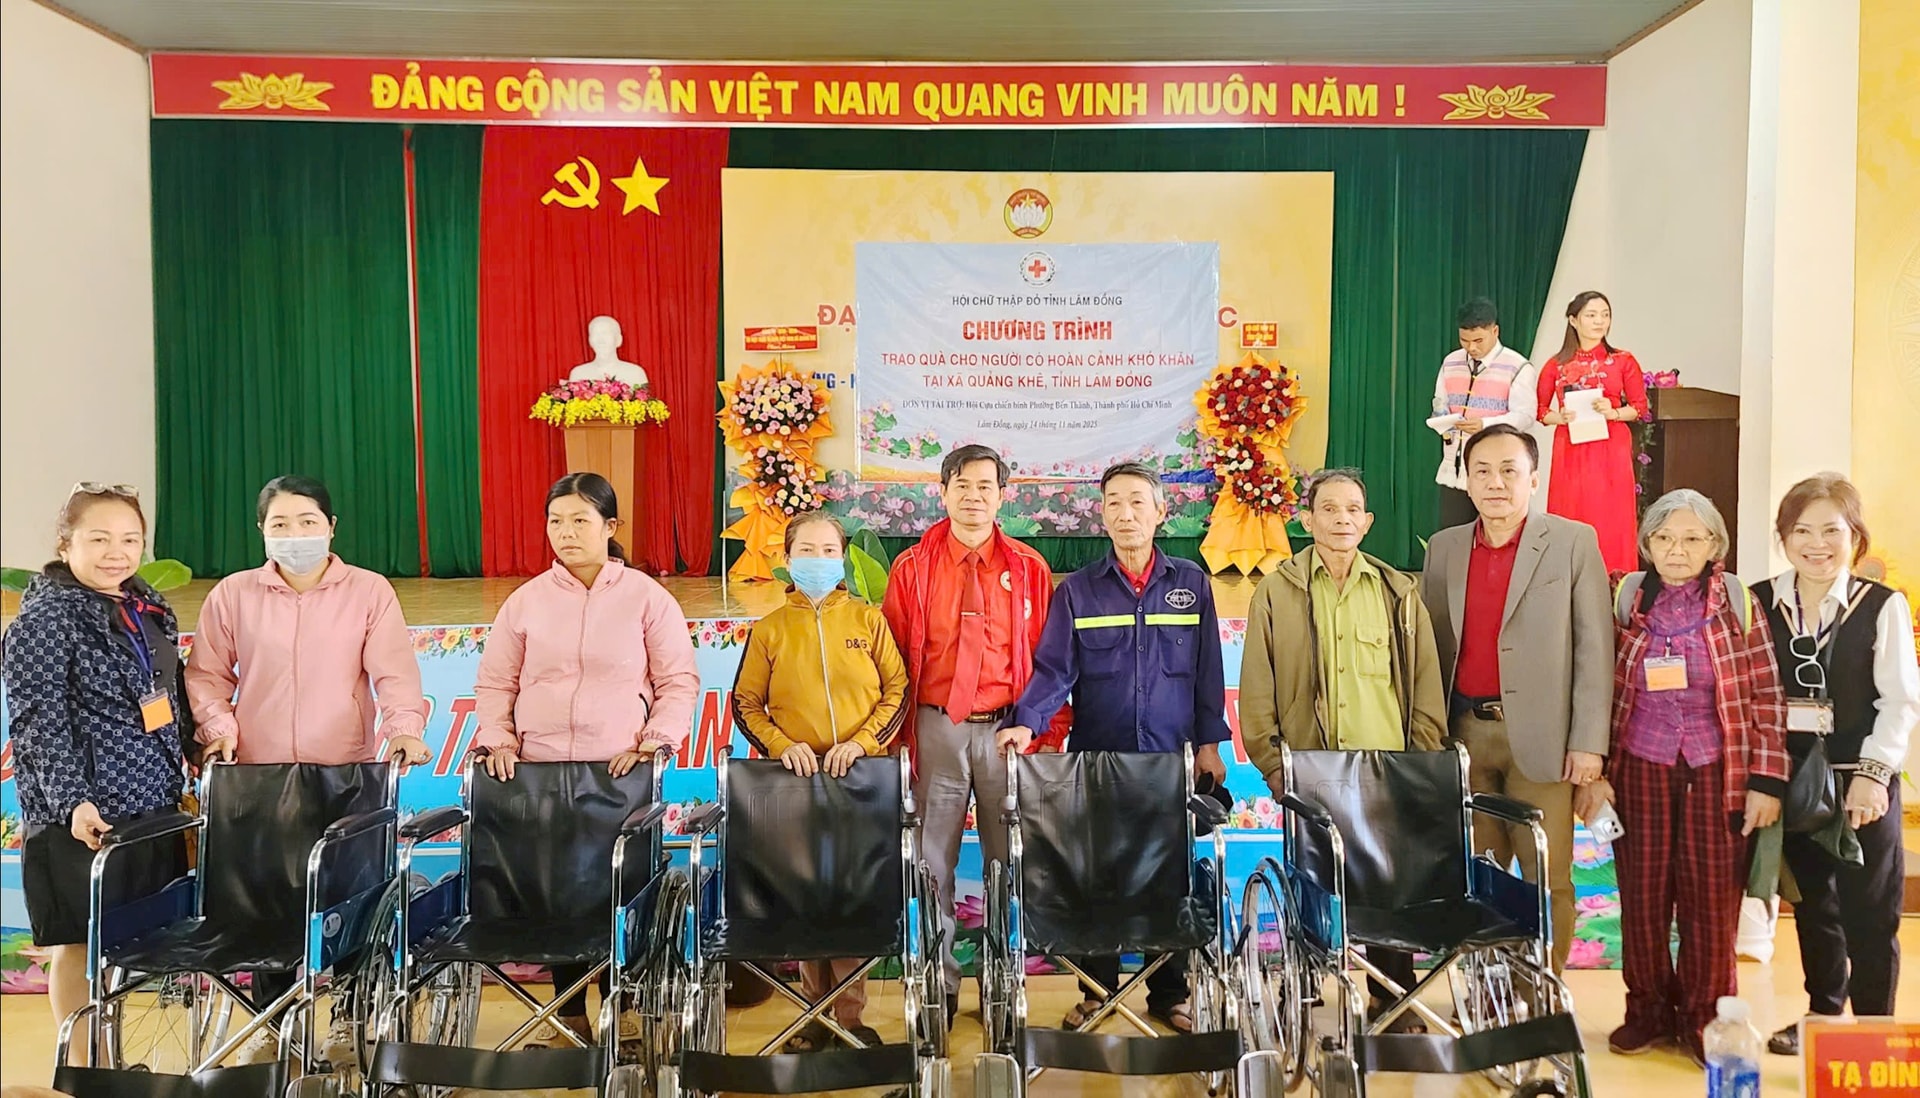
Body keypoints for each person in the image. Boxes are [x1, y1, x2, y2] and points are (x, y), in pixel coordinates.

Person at [184, 474, 434, 1061]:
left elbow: (395, 674)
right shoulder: (233, 595)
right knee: (264, 902)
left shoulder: (369, 592)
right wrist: (219, 731)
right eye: (280, 524)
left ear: (331, 527)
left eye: (307, 523)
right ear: (261, 531)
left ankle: (348, 1019)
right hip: (258, 774)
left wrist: (404, 728)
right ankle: (272, 1027)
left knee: (351, 898)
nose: (294, 534)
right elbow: (206, 678)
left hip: (345, 771)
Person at [997, 463, 1231, 1035]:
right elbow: (1054, 670)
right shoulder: (1077, 590)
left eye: (1137, 503)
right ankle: (1097, 993)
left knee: (1169, 877)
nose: (1126, 514)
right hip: (1097, 761)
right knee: (1098, 876)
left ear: (1161, 512)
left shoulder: (1192, 584)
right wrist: (1027, 723)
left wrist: (1209, 745)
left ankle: (1169, 994)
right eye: (1114, 504)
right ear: (1102, 515)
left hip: (1170, 762)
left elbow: (1208, 675)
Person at [471, 472, 700, 1045]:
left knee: (620, 890)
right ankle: (568, 1018)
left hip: (620, 773)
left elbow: (677, 681)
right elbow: (496, 683)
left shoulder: (647, 598)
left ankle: (626, 1012)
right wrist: (499, 739)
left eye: (580, 520)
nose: (566, 532)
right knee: (556, 893)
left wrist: (654, 740)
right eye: (556, 521)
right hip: (540, 771)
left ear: (610, 526)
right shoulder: (526, 602)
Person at [1581, 489, 1785, 1065]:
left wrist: (1767, 781)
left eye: (1693, 538)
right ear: (1647, 544)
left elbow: (1767, 695)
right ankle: (1646, 1010)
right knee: (1642, 895)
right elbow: (1595, 685)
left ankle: (1704, 1018)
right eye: (1665, 537)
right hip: (1640, 765)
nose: (1677, 549)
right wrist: (1592, 772)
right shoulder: (1625, 599)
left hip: (1716, 769)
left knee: (1711, 900)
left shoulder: (1738, 604)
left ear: (1714, 545)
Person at [1238, 468, 1448, 1026]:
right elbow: (1257, 689)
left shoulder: (1398, 592)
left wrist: (1418, 764)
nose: (1341, 520)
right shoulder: (1276, 591)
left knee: (1387, 887)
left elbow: (1425, 684)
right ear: (1307, 520)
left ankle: (1391, 994)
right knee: (1312, 883)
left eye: (1353, 509)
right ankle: (1305, 989)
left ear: (1368, 521)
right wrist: (1275, 766)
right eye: (1328, 509)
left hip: (1385, 768)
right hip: (1309, 770)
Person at [3, 485, 191, 1064]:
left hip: (150, 802)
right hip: (85, 815)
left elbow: (168, 696)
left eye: (130, 539)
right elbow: (38, 723)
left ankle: (110, 1059)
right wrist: (73, 803)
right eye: (100, 539)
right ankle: (85, 1067)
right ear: (66, 545)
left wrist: (195, 750)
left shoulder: (146, 606)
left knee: (125, 942)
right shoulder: (45, 619)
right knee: (79, 946)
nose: (117, 553)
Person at [880, 444, 1065, 1024]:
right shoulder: (912, 568)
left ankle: (1001, 983)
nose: (973, 497)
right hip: (936, 726)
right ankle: (937, 983)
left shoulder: (1029, 568)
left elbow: (1050, 659)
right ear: (942, 493)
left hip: (1007, 730)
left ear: (1003, 496)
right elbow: (891, 657)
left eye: (986, 486)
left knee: (1008, 860)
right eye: (961, 485)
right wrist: (898, 736)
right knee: (930, 860)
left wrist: (1042, 727)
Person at [1419, 424, 1613, 973]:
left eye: (1509, 470)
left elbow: (1595, 648)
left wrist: (1589, 744)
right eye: (1481, 471)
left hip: (1544, 741)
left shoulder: (1573, 542)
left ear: (1533, 478)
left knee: (1547, 875)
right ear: (1466, 479)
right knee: (1481, 874)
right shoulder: (1445, 548)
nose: (1495, 483)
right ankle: (1492, 993)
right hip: (1465, 736)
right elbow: (1431, 649)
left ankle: (1542, 992)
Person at [1751, 474, 1917, 1056]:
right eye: (1802, 531)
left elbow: (1901, 700)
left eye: (1832, 531)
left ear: (1855, 536)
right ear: (1783, 537)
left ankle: (1873, 1033)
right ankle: (1823, 1014)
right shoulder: (1759, 601)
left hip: (1859, 779)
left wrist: (1874, 775)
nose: (1816, 544)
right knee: (1812, 904)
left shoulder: (1881, 605)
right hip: (1792, 777)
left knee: (1870, 911)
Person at [730, 511, 909, 1051]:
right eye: (806, 550)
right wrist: (782, 746)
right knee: (807, 897)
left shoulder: (868, 620)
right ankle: (814, 1014)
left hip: (861, 781)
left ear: (843, 558)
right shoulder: (769, 630)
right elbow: (746, 703)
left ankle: (850, 1019)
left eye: (829, 550)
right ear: (787, 560)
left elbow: (897, 690)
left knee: (852, 899)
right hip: (796, 782)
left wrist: (864, 743)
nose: (818, 560)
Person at [1536, 291, 1649, 574]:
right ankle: (1566, 577)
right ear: (1573, 320)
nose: (1600, 321)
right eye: (1591, 315)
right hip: (1571, 446)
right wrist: (1560, 417)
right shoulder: (1555, 365)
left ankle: (1615, 578)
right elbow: (1540, 411)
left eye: (1605, 315)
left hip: (1611, 446)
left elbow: (1639, 407)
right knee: (1572, 510)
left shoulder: (1623, 360)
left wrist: (1613, 412)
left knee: (1611, 514)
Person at [1429, 297, 1539, 530]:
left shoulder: (1518, 366)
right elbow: (1440, 402)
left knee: (1496, 532)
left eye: (1478, 340)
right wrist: (1443, 420)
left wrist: (1485, 424)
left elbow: (1525, 416)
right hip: (1455, 468)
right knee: (1453, 534)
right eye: (1465, 340)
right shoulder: (1451, 362)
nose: (1472, 348)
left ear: (1495, 331)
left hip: (1496, 473)